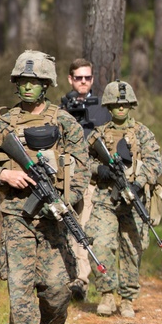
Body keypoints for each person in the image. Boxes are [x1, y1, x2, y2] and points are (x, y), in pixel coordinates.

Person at [0, 50, 89, 324]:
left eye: (34, 82)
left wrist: (67, 200)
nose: (27, 87)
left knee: (55, 288)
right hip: (17, 214)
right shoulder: (2, 126)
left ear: (46, 85)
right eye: (22, 81)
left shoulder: (64, 122)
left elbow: (81, 169)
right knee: (19, 284)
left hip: (54, 217)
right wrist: (3, 175)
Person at [85, 81, 162, 318]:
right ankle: (107, 293)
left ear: (131, 105)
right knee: (99, 243)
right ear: (108, 106)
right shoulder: (98, 135)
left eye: (125, 103)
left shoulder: (143, 133)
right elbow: (84, 162)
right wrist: (101, 171)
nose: (120, 108)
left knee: (132, 249)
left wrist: (139, 182)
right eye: (116, 104)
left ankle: (127, 298)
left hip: (134, 198)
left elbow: (155, 163)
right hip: (105, 198)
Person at [59, 58, 111, 302]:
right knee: (66, 226)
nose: (83, 82)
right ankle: (68, 278)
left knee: (84, 227)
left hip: (90, 180)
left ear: (92, 79)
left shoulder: (102, 109)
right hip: (65, 179)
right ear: (70, 79)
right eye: (78, 77)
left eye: (87, 78)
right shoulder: (60, 108)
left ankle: (81, 280)